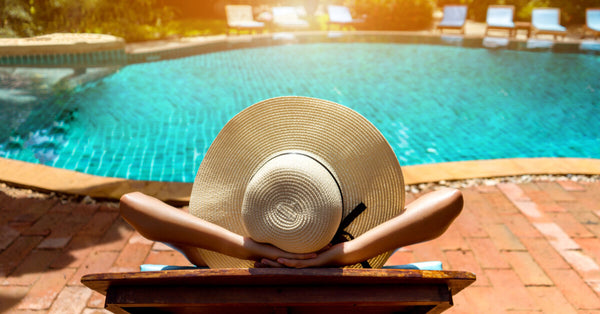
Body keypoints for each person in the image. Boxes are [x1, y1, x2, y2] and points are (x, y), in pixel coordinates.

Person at [120, 96, 463, 269]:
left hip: (249, 256)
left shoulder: (211, 254)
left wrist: (246, 249)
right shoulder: (356, 256)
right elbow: (449, 199)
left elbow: (132, 203)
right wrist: (342, 254)